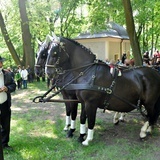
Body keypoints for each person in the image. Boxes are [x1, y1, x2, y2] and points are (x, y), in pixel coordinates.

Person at [0, 56, 16, 150]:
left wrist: (7, 88)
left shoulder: (7, 74)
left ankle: (4, 144)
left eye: (1, 62)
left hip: (5, 103)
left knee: (6, 124)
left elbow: (13, 85)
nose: (1, 64)